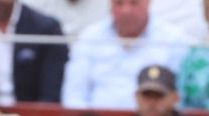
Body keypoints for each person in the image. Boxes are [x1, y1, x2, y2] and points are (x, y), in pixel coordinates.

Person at [62, 0, 190, 110]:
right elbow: (73, 98)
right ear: (110, 4)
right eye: (119, 3)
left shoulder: (173, 39)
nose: (126, 11)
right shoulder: (90, 37)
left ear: (148, 2)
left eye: (134, 3)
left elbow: (180, 98)